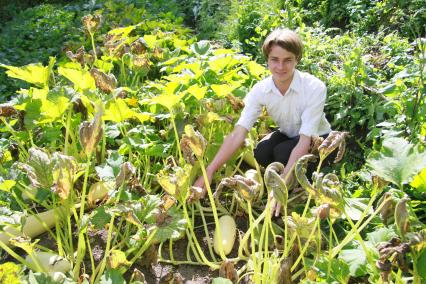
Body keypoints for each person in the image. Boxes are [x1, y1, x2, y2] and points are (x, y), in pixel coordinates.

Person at [194, 28, 331, 216]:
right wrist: (209, 170)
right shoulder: (261, 90)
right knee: (261, 152)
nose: (280, 67)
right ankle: (286, 173)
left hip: (317, 140)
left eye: (287, 60)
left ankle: (297, 183)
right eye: (275, 60)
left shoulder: (314, 87)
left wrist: (280, 186)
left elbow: (304, 142)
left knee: (282, 153)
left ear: (297, 59)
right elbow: (238, 134)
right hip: (288, 133)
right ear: (267, 59)